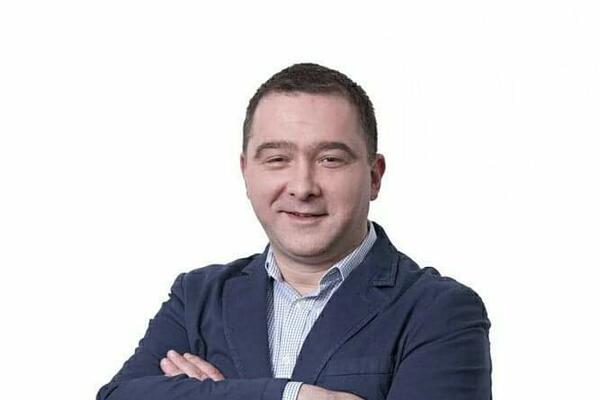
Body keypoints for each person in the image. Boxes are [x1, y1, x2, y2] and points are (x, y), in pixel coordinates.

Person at [97, 63, 492, 400]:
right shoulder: (197, 298)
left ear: (374, 176)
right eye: (277, 159)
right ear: (246, 172)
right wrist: (290, 395)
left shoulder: (440, 312)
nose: (302, 187)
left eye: (330, 159)